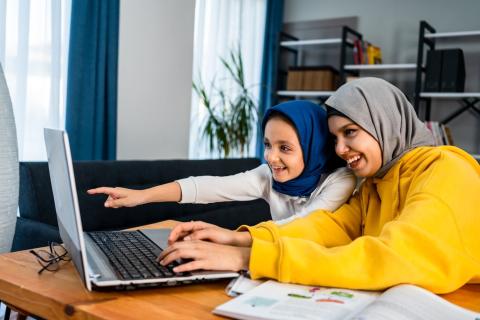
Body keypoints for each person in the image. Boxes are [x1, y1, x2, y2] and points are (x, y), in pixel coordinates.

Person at [158, 77, 480, 294]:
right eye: (336, 138)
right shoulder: (374, 185)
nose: (339, 149)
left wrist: (246, 259)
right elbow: (327, 228)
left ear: (384, 122)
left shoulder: (446, 170)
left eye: (350, 132)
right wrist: (239, 239)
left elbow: (394, 256)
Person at [88, 100, 356, 222]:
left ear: (314, 147)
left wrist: (229, 240)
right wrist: (141, 196)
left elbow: (304, 226)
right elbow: (208, 187)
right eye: (267, 145)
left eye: (285, 148)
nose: (271, 157)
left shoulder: (341, 180)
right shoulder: (269, 177)